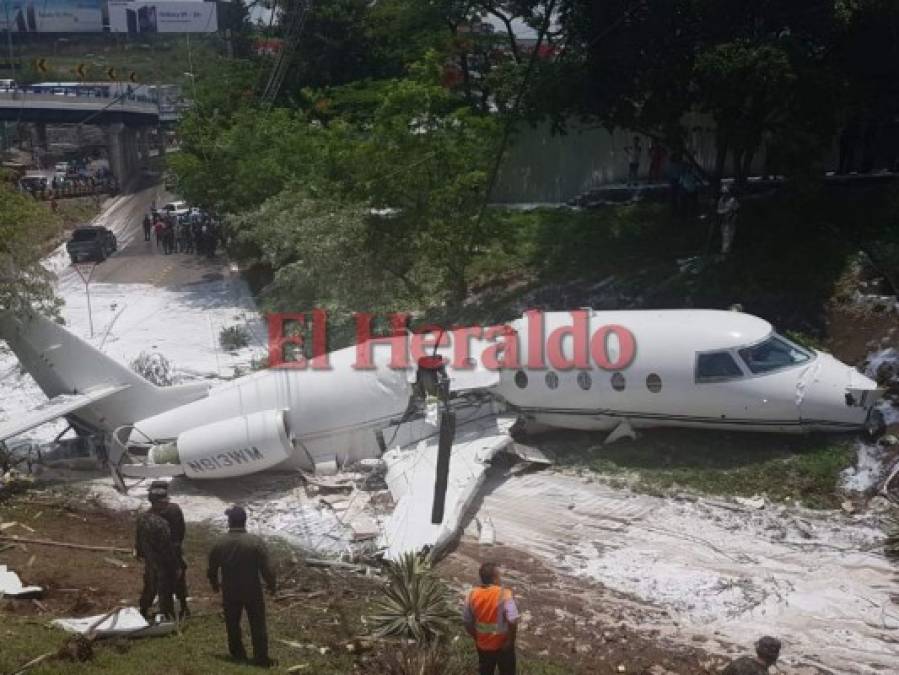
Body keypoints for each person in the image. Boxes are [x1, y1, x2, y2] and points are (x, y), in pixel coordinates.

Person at [207, 505, 276, 667]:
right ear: (244, 521)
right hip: (252, 590)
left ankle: (238, 654)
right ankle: (261, 657)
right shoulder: (255, 542)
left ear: (229, 521)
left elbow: (212, 569)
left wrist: (215, 584)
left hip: (230, 590)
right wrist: (272, 585)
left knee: (232, 623)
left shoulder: (220, 543)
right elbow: (267, 569)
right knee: (257, 623)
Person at [463, 562, 520, 675]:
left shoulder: (471, 594)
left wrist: (476, 636)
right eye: (499, 576)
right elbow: (513, 620)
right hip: (503, 646)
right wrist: (510, 641)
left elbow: (467, 621)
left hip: (483, 645)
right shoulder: (505, 594)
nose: (500, 579)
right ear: (494, 578)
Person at [135, 483, 180, 621]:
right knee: (165, 591)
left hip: (150, 561)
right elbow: (167, 549)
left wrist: (141, 553)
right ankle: (168, 617)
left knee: (149, 587)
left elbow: (138, 540)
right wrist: (176, 566)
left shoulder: (142, 518)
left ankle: (143, 610)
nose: (166, 505)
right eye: (164, 503)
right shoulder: (161, 524)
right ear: (158, 503)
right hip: (163, 564)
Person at [145, 481, 190, 619]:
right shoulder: (175, 509)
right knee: (179, 580)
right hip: (175, 550)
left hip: (158, 554)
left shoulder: (150, 514)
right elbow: (181, 530)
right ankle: (183, 607)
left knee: (156, 583)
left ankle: (158, 611)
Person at [717, 185, 740, 255]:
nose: (724, 194)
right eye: (723, 193)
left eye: (726, 193)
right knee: (725, 236)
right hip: (723, 221)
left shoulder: (733, 200)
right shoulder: (721, 200)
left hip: (731, 220)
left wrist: (732, 217)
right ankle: (725, 251)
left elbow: (737, 210)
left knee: (731, 235)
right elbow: (719, 210)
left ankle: (728, 250)